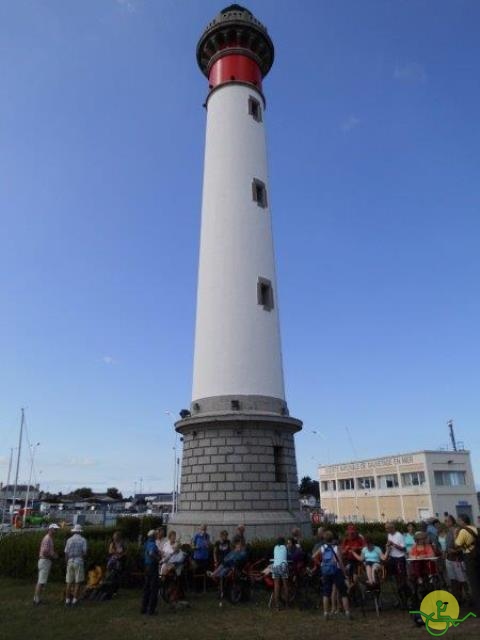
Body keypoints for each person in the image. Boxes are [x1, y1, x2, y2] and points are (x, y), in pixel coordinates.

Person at [319, 530, 351, 620]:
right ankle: (347, 612)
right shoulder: (337, 548)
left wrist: (321, 565)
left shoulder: (322, 548)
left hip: (326, 571)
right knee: (343, 592)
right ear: (332, 538)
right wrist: (344, 573)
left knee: (326, 593)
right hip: (336, 571)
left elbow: (314, 556)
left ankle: (326, 613)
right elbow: (340, 561)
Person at [455, 513, 480, 612]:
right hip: (478, 555)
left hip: (469, 557)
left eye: (459, 520)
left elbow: (457, 544)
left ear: (462, 521)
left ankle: (478, 608)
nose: (458, 522)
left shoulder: (463, 531)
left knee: (474, 583)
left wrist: (455, 535)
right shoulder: (475, 529)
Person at [33, 523, 60, 605]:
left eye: (56, 530)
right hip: (45, 560)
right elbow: (45, 552)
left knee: (41, 581)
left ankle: (37, 598)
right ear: (50, 529)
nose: (56, 531)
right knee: (41, 581)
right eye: (55, 529)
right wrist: (53, 555)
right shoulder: (48, 538)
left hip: (45, 561)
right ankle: (36, 600)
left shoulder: (49, 538)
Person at [444, 514, 467, 601]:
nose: (445, 522)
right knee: (453, 579)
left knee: (462, 579)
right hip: (449, 558)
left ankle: (467, 597)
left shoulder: (456, 530)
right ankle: (456, 597)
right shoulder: (448, 531)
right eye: (445, 521)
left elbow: (461, 545)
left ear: (452, 521)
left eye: (447, 521)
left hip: (457, 559)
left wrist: (455, 551)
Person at [65, 523, 88, 606]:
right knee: (78, 582)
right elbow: (84, 553)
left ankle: (67, 600)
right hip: (78, 561)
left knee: (69, 582)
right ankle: (74, 600)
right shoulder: (83, 540)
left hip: (70, 561)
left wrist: (67, 561)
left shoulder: (69, 540)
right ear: (80, 532)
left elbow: (66, 553)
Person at [141, 529, 160, 615]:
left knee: (147, 588)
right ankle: (151, 610)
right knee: (153, 588)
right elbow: (151, 553)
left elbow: (145, 553)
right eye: (156, 535)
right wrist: (158, 558)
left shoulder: (147, 543)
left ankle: (143, 608)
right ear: (154, 536)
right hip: (153, 566)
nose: (157, 536)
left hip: (147, 566)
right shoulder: (153, 544)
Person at [271, 537, 289, 610]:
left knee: (276, 586)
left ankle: (277, 605)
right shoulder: (285, 547)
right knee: (285, 585)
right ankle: (287, 604)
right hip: (283, 566)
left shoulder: (275, 548)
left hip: (275, 566)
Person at [192, 524, 210, 590]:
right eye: (202, 529)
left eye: (205, 529)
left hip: (205, 557)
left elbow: (208, 545)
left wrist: (207, 543)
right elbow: (192, 545)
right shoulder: (196, 535)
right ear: (200, 529)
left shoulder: (207, 536)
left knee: (205, 572)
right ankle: (197, 588)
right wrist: (195, 547)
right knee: (197, 572)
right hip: (197, 557)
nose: (203, 531)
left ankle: (204, 588)